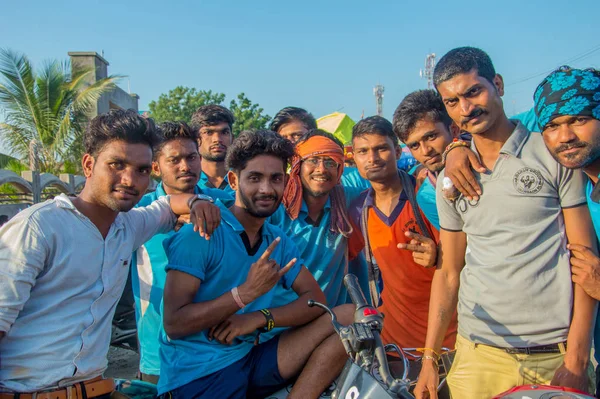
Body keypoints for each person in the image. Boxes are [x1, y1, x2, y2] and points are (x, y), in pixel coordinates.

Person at [414, 47, 597, 399]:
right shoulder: (451, 180)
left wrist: (575, 359)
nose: (466, 108)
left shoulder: (553, 154)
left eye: (473, 91)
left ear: (497, 83)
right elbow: (450, 271)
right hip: (477, 355)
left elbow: (584, 259)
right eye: (452, 102)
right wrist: (429, 358)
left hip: (553, 356)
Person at [0, 109, 221, 397]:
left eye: (141, 170)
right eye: (117, 164)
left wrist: (197, 201)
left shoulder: (127, 227)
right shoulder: (39, 228)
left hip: (94, 387)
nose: (130, 180)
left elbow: (167, 205)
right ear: (89, 164)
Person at [158, 129, 352, 399]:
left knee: (349, 316)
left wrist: (258, 319)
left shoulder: (277, 240)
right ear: (234, 180)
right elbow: (174, 323)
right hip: (199, 372)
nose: (266, 189)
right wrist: (244, 295)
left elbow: (315, 300)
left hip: (251, 358)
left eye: (275, 179)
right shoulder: (201, 233)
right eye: (255, 178)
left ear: (285, 182)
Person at [348, 116, 457, 395]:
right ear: (354, 157)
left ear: (398, 152)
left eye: (381, 148)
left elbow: (463, 259)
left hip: (451, 342)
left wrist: (438, 256)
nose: (372, 158)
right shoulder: (359, 210)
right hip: (394, 346)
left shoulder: (427, 195)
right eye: (363, 151)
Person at [131, 121, 233, 384]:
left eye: (191, 157)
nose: (185, 167)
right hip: (158, 353)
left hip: (217, 349)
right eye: (174, 160)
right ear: (155, 167)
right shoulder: (137, 213)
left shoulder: (224, 204)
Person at [261, 129, 367, 335]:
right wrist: (198, 202)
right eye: (313, 160)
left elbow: (388, 187)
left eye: (330, 162)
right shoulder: (274, 206)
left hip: (326, 325)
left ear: (340, 169)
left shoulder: (347, 199)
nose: (322, 169)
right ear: (298, 166)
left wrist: (419, 175)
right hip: (274, 326)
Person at [393, 89, 459, 229]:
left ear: (453, 129)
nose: (426, 151)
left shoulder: (484, 160)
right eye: (415, 145)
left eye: (431, 137)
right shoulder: (427, 197)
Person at [191, 104, 235, 193]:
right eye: (208, 132)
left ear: (232, 138)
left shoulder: (244, 180)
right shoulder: (186, 180)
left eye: (224, 132)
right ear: (196, 139)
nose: (217, 139)